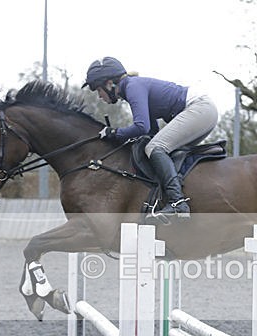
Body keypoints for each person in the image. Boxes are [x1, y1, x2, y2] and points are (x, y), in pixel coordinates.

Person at [82, 57, 218, 220]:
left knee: (155, 148)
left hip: (199, 108)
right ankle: (170, 197)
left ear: (109, 83)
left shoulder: (133, 87)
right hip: (202, 110)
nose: (99, 96)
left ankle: (178, 202)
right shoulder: (131, 88)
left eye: (98, 90)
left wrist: (114, 133)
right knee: (158, 149)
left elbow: (141, 127)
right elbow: (150, 131)